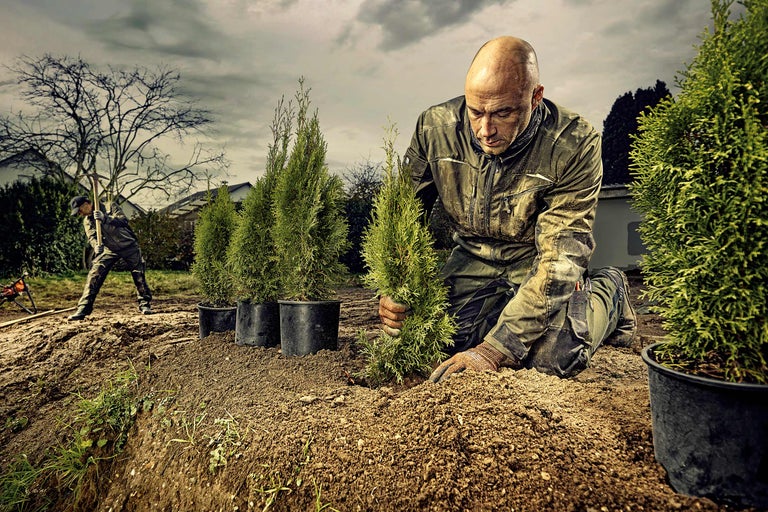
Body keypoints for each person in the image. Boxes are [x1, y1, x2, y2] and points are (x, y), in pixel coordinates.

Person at [379, 36, 636, 382]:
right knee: (433, 336)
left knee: (552, 357)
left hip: (538, 258)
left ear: (535, 97)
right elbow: (401, 219)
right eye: (475, 112)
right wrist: (395, 289)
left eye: (503, 112)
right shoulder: (434, 128)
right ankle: (497, 311)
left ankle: (610, 291)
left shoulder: (575, 144)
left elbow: (560, 257)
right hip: (471, 257)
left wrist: (492, 351)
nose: (486, 130)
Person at [68, 195, 152, 320]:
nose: (79, 213)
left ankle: (145, 305)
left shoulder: (109, 206)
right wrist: (96, 246)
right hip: (109, 250)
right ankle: (83, 308)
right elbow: (92, 237)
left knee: (138, 274)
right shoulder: (87, 221)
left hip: (129, 245)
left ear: (87, 204)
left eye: (79, 210)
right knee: (94, 274)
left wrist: (105, 218)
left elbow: (123, 221)